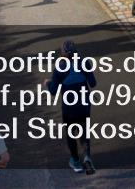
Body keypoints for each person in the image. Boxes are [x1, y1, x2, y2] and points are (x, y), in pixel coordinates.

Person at [45, 40, 97, 174]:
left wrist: (48, 83)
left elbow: (53, 91)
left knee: (71, 133)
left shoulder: (60, 68)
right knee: (84, 131)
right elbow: (93, 83)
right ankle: (87, 157)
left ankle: (75, 161)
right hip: (84, 104)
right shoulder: (84, 62)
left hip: (69, 108)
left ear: (62, 53)